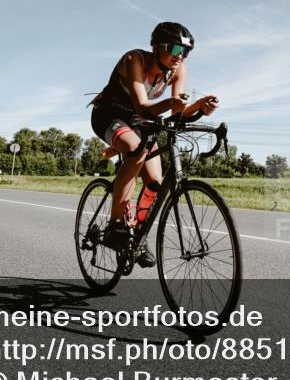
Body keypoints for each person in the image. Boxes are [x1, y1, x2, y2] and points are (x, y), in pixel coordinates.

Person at [89, 22, 218, 267]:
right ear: (157, 47)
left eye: (187, 52)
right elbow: (143, 106)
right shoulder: (134, 59)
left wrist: (198, 107)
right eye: (176, 49)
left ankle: (138, 235)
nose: (181, 57)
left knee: (156, 184)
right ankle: (116, 224)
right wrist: (172, 103)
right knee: (137, 152)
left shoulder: (178, 70)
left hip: (139, 122)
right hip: (109, 114)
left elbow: (177, 111)